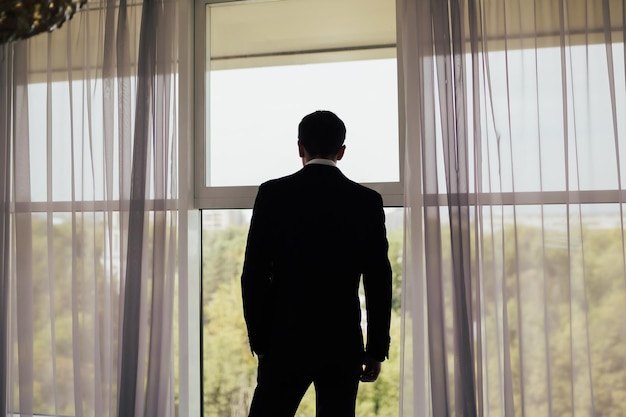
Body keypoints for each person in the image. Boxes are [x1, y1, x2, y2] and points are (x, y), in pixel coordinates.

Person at [241, 110, 392, 417]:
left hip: (283, 340)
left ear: (300, 148)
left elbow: (253, 275)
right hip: (342, 340)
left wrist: (260, 340)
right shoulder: (367, 201)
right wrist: (376, 349)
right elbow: (379, 281)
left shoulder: (273, 194)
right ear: (341, 151)